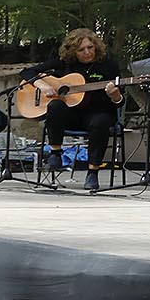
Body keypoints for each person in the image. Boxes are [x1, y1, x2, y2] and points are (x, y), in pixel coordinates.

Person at [22, 27, 126, 190]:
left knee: (101, 121)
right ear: (73, 52)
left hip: (98, 114)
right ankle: (56, 154)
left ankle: (93, 172)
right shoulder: (65, 64)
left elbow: (119, 102)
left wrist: (115, 95)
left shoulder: (109, 66)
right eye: (81, 50)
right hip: (70, 117)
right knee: (56, 105)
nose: (87, 52)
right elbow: (27, 72)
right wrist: (41, 85)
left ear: (96, 47)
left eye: (90, 48)